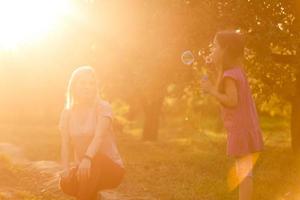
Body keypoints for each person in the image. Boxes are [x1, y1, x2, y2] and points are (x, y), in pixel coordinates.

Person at [201, 31, 263, 200]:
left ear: (225, 50)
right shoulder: (237, 71)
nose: (212, 50)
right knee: (245, 172)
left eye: (215, 46)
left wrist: (211, 91)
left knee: (243, 173)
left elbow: (232, 101)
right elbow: (228, 91)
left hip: (240, 129)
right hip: (246, 126)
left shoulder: (230, 75)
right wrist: (213, 66)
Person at [58, 66, 124, 200]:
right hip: (85, 169)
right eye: (83, 83)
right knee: (66, 184)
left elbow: (98, 137)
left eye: (91, 83)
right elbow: (65, 144)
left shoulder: (103, 107)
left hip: (109, 167)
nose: (87, 87)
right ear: (74, 86)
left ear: (95, 87)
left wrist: (87, 158)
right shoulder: (67, 113)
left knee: (95, 161)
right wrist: (65, 169)